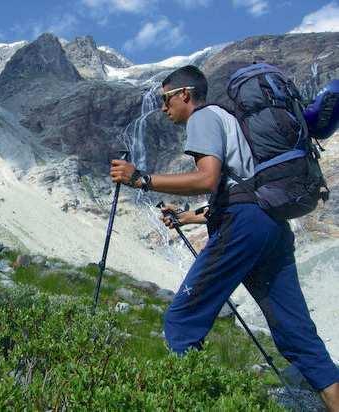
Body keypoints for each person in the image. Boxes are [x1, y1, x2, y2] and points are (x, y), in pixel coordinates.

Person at [110, 65, 339, 410]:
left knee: (182, 320)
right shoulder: (230, 120)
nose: (162, 107)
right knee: (298, 336)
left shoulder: (203, 118)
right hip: (270, 224)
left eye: (165, 99)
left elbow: (207, 179)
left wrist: (141, 178)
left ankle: (190, 402)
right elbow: (241, 189)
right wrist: (190, 217)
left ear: (184, 94)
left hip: (244, 225)